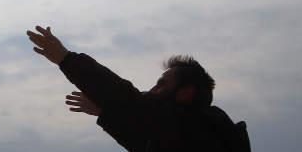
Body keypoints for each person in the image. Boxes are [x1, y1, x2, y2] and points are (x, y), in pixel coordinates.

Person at [26, 26, 250, 151]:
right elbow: (142, 138)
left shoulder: (196, 126)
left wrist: (66, 59)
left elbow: (128, 100)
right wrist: (106, 112)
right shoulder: (191, 130)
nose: (152, 89)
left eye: (161, 84)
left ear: (185, 93)